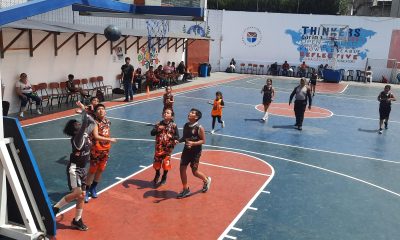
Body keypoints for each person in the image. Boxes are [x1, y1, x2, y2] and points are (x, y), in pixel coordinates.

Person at [52, 101, 94, 231]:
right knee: (77, 193)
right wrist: (83, 109)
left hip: (83, 169)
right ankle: (55, 208)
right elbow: (86, 122)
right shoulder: (77, 138)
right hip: (74, 169)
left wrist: (86, 113)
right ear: (73, 129)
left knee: (81, 196)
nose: (79, 123)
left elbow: (93, 123)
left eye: (78, 122)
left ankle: (77, 220)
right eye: (76, 123)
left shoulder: (85, 133)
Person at [85, 104, 117, 202]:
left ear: (105, 111)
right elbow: (96, 136)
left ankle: (93, 188)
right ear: (95, 112)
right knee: (92, 171)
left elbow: (106, 132)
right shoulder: (94, 123)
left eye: (103, 109)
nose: (101, 111)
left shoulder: (107, 121)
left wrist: (108, 141)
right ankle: (86, 190)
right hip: (96, 150)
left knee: (101, 169)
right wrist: (110, 139)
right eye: (98, 109)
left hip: (106, 150)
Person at [177, 108, 211, 198]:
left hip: (195, 152)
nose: (189, 113)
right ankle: (185, 189)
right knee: (182, 168)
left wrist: (193, 143)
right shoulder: (186, 125)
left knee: (194, 171)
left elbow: (203, 141)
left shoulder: (199, 128)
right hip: (186, 151)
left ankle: (206, 180)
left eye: (192, 113)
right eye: (190, 112)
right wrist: (178, 141)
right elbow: (184, 137)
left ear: (196, 117)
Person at [150, 108, 179, 186]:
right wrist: (158, 129)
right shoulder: (158, 124)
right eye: (164, 112)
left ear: (172, 116)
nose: (165, 113)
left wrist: (173, 138)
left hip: (168, 148)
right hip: (159, 147)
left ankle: (164, 176)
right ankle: (157, 174)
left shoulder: (173, 125)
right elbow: (152, 133)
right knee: (157, 163)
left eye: (168, 113)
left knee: (166, 164)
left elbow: (177, 137)